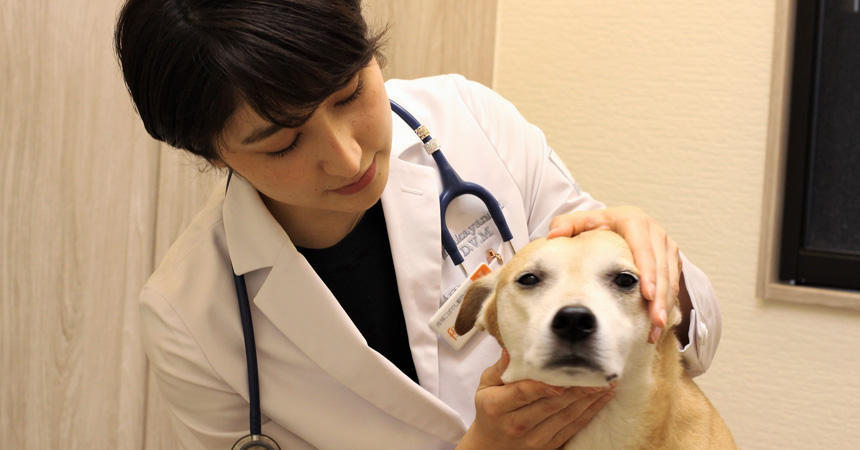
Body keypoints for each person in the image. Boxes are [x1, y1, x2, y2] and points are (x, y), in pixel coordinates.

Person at [115, 1, 722, 449]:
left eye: (349, 94)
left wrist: (654, 263)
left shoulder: (474, 122)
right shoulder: (187, 318)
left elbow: (692, 336)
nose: (347, 157)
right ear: (213, 155)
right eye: (283, 144)